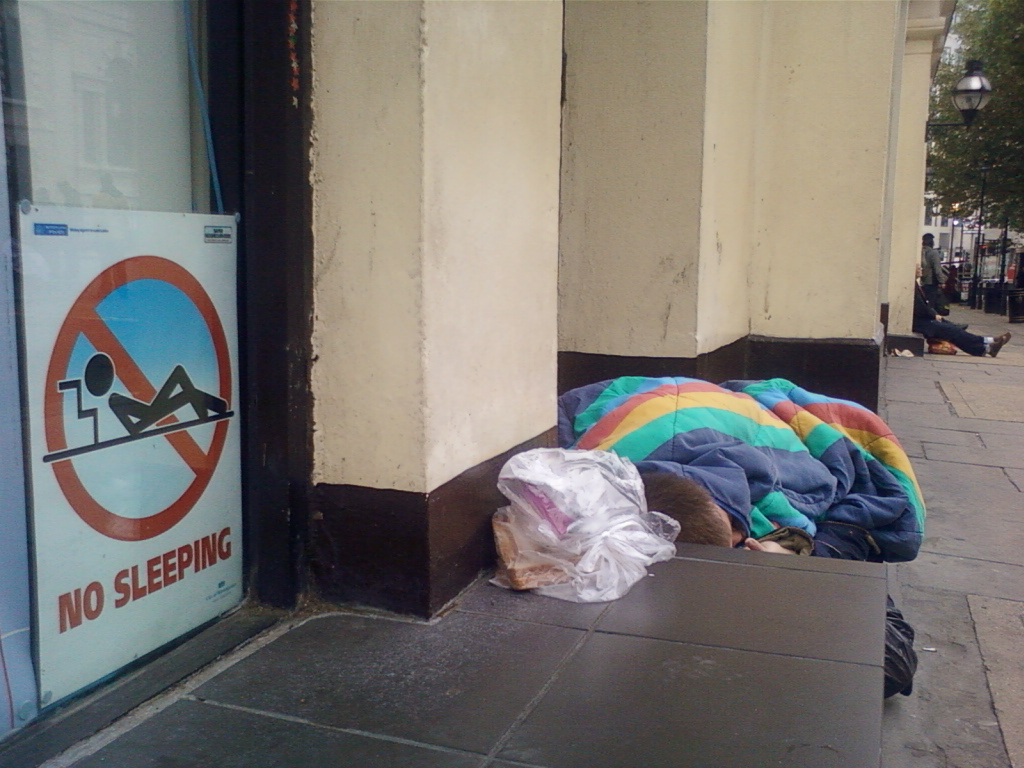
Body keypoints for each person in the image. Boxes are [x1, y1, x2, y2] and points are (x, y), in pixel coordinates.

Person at [558, 375, 926, 697]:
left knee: (884, 662)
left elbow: (874, 500)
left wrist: (800, 558)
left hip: (734, 414)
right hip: (648, 406)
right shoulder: (590, 490)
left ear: (742, 536)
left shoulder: (795, 482)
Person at [914, 278, 1010, 357]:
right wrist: (933, 315)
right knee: (951, 331)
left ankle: (988, 344)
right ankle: (988, 345)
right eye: (919, 268)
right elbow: (921, 308)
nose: (921, 270)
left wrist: (934, 314)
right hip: (920, 323)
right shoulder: (912, 285)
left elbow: (925, 306)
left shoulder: (915, 284)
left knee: (952, 329)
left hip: (923, 320)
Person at [920, 233, 947, 311]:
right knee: (931, 304)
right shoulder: (933, 253)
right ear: (931, 242)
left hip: (921, 281)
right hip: (930, 282)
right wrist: (942, 281)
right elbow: (937, 269)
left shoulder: (920, 251)